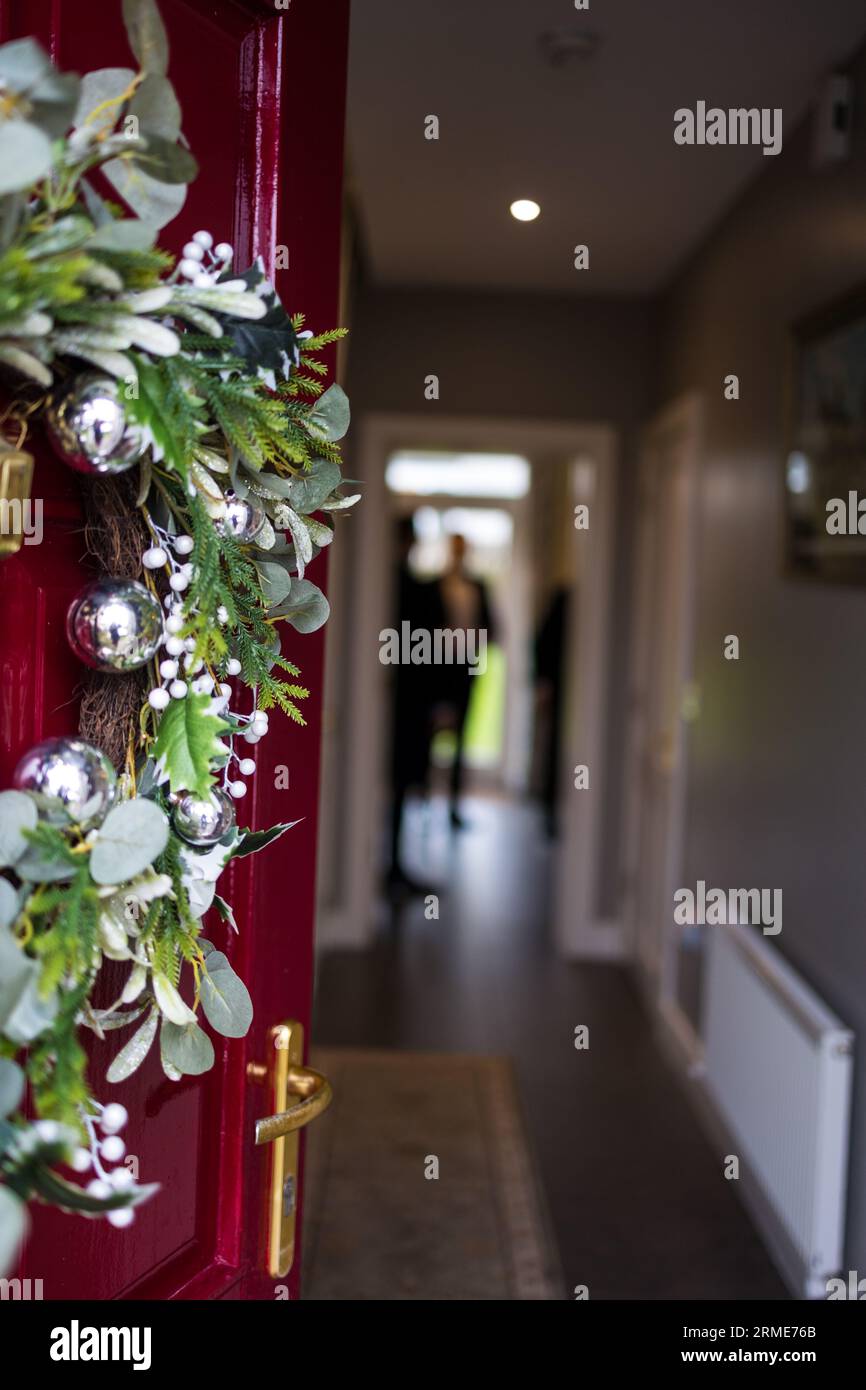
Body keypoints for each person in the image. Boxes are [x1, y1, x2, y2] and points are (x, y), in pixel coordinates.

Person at [387, 516, 442, 892]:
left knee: (403, 784)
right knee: (398, 783)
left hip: (410, 705)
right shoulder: (398, 588)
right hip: (401, 705)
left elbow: (433, 651)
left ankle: (395, 864)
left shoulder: (419, 590)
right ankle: (391, 865)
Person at [435, 533, 495, 829]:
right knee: (430, 735)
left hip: (465, 667)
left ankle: (454, 805)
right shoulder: (436, 585)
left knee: (461, 738)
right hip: (435, 667)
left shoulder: (478, 587)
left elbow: (491, 627)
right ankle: (424, 800)